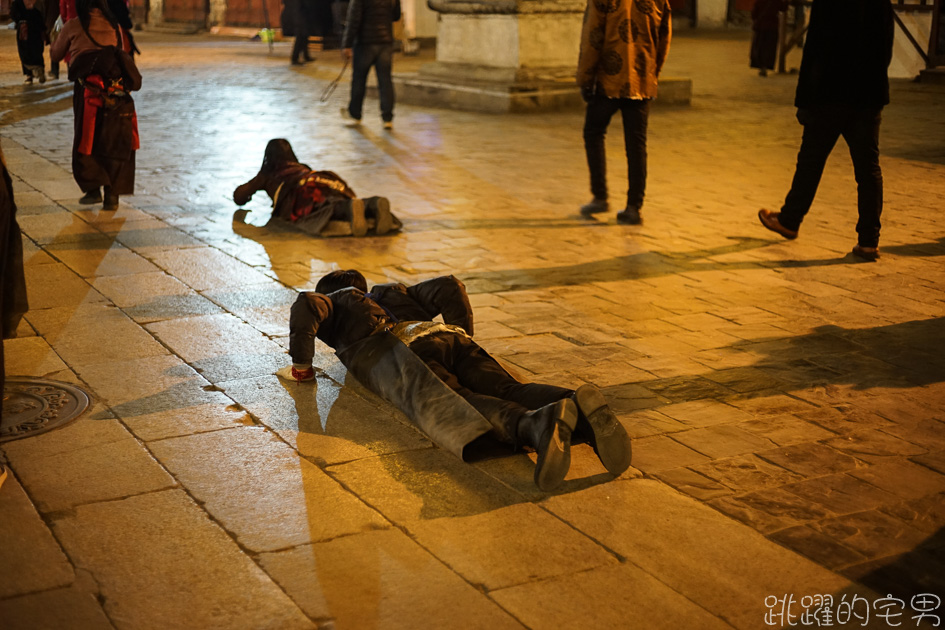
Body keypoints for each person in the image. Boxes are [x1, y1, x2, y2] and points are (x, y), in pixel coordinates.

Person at [282, 270, 632, 491]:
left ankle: (536, 426)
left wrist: (302, 365)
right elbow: (450, 286)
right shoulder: (394, 290)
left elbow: (307, 304)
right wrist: (463, 334)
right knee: (507, 388)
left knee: (456, 401)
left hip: (400, 350)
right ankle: (575, 404)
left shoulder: (335, 301)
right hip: (449, 336)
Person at [757, 0, 894, 261]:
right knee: (868, 169)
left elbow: (816, 49)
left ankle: (790, 219)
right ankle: (868, 241)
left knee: (811, 160)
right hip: (867, 96)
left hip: (829, 93)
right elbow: (885, 46)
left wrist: (804, 100)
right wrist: (874, 82)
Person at [576, 0, 672, 226]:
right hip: (641, 79)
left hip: (609, 80)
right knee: (637, 144)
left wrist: (586, 78)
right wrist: (651, 73)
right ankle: (633, 207)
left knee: (593, 132)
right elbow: (664, 37)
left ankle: (600, 196)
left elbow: (593, 37)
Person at [50, 0, 140, 211]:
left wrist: (57, 38)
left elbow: (56, 54)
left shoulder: (73, 25)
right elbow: (122, 53)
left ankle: (92, 189)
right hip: (115, 93)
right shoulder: (115, 26)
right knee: (112, 140)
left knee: (88, 138)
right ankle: (112, 195)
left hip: (88, 92)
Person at [234, 139, 401, 237]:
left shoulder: (268, 173)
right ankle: (371, 204)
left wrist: (249, 195)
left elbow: (239, 196)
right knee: (333, 198)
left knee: (324, 208)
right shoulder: (302, 167)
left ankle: (349, 208)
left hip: (301, 190)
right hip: (323, 179)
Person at [340, 0, 400, 129]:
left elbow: (353, 20)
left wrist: (347, 44)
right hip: (385, 43)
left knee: (359, 80)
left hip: (364, 43)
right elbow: (396, 16)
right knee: (385, 81)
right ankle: (387, 118)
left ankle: (355, 115)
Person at [11, 0, 48, 84]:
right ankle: (33, 73)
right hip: (28, 31)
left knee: (33, 51)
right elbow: (14, 14)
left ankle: (35, 72)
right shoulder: (19, 3)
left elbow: (42, 14)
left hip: (31, 30)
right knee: (28, 51)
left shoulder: (38, 2)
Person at [750, 0, 786, 77]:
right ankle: (766, 66)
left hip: (760, 27)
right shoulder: (776, 1)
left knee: (760, 47)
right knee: (769, 48)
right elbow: (783, 8)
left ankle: (761, 66)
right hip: (772, 28)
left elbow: (753, 14)